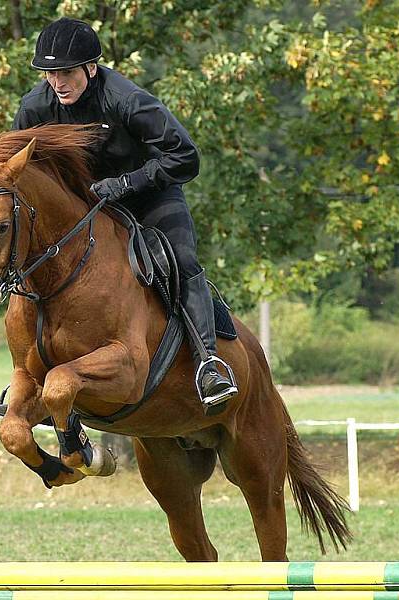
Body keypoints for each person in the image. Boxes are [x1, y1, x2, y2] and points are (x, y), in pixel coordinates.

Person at [12, 17, 237, 410]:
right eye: (50, 74)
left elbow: (185, 157)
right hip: (87, 207)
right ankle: (26, 377)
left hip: (150, 195)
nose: (58, 83)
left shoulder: (128, 100)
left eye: (66, 72)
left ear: (90, 68)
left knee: (181, 259)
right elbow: (21, 168)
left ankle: (208, 363)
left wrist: (127, 183)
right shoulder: (35, 107)